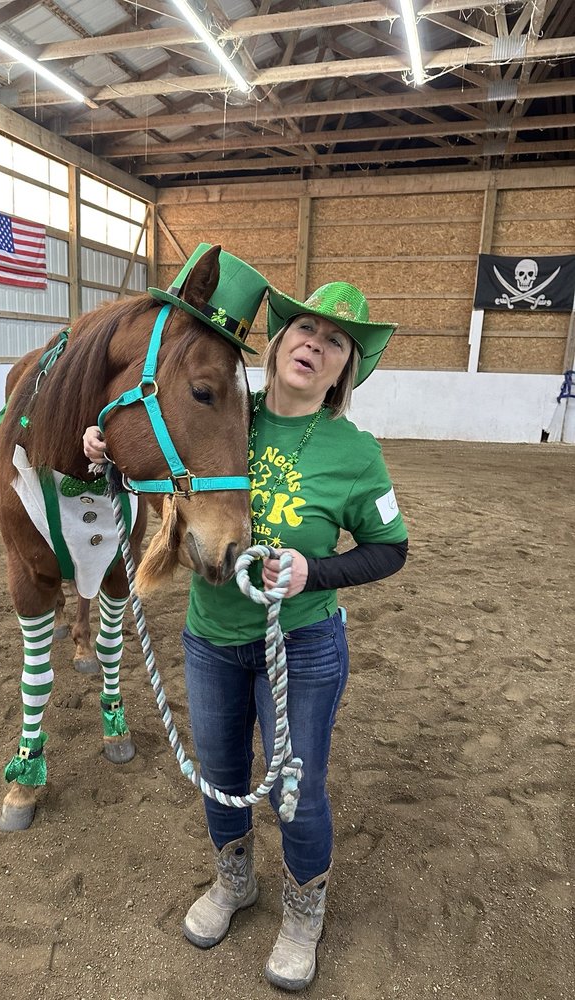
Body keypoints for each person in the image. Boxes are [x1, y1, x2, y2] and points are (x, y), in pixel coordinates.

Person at [84, 279, 408, 992]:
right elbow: (159, 440)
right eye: (304, 331)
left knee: (298, 791)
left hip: (305, 649)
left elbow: (390, 547)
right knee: (223, 779)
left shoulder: (356, 453)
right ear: (282, 341)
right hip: (210, 639)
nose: (314, 345)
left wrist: (313, 570)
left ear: (342, 370)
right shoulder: (228, 409)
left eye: (334, 343)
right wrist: (105, 450)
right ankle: (234, 883)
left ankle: (302, 911)